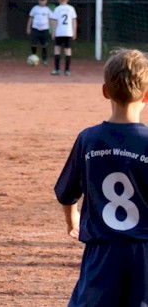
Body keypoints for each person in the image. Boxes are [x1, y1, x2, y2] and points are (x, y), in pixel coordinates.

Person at [55, 48, 148, 306]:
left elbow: (66, 192)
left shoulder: (89, 139)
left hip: (102, 253)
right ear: (147, 95)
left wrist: (71, 220)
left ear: (105, 90)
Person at [50, 0, 77, 76]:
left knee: (57, 50)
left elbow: (54, 21)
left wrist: (53, 32)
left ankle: (57, 69)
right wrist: (74, 32)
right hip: (68, 32)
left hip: (59, 32)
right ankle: (67, 70)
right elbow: (74, 21)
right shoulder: (71, 8)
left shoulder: (57, 9)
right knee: (68, 51)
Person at [26, 0, 51, 66]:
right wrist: (28, 28)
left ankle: (44, 60)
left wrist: (54, 29)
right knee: (34, 44)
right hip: (35, 28)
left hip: (44, 29)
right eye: (40, 0)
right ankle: (33, 56)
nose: (42, 2)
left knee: (44, 45)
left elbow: (52, 19)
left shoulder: (47, 10)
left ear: (46, 1)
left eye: (44, 0)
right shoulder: (35, 8)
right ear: (38, 1)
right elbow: (30, 18)